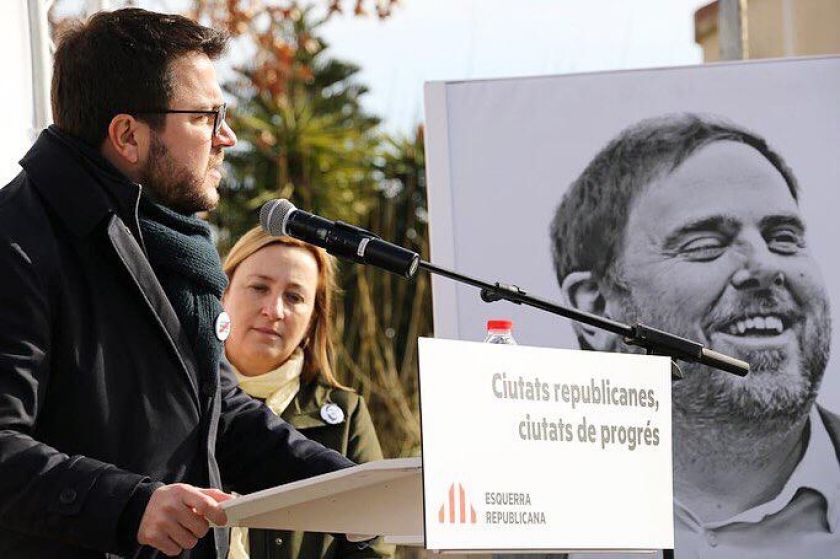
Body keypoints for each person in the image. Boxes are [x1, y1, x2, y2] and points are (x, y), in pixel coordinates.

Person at [0, 8, 355, 558]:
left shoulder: (168, 242)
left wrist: (363, 490)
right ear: (127, 136)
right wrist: (130, 506)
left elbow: (219, 417)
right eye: (206, 117)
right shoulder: (16, 242)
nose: (228, 137)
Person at [549, 113, 839, 558]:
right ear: (595, 306)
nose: (765, 267)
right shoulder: (526, 521)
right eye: (705, 245)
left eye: (783, 238)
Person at [221, 227, 393, 559]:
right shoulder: (181, 395)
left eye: (294, 297)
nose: (275, 310)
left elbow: (375, 544)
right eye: (259, 287)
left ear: (313, 317)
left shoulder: (346, 412)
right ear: (223, 292)